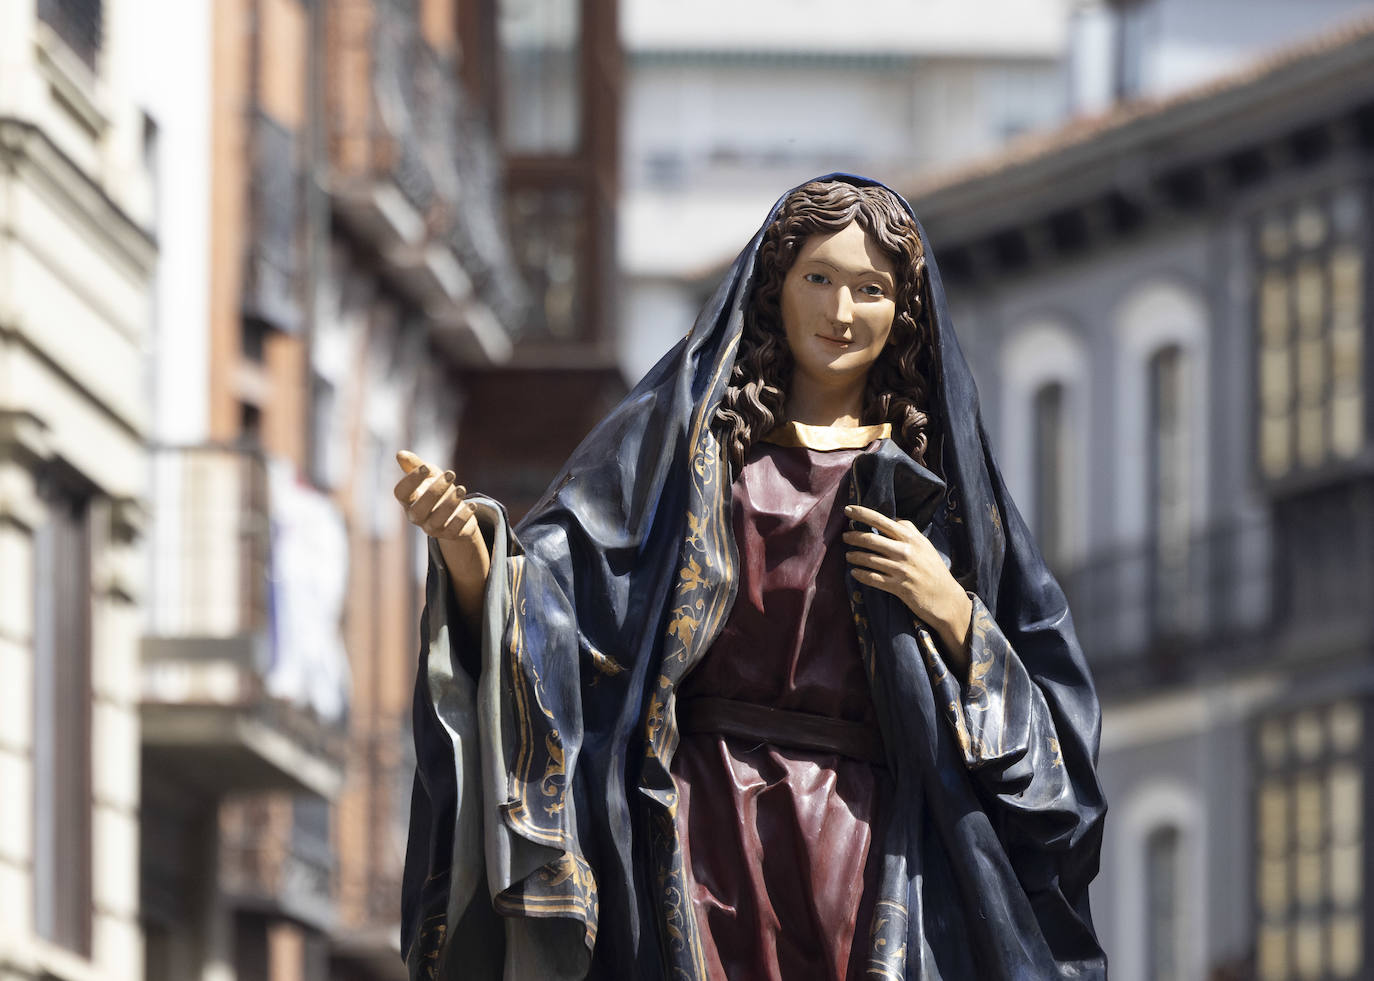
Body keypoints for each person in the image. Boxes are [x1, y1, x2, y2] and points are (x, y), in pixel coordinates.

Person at [395, 176, 1107, 980]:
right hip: (698, 832)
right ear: (777, 286)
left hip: (869, 849)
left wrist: (953, 611)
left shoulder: (941, 490)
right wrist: (471, 552)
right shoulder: (688, 452)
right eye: (819, 279)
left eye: (870, 289)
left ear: (902, 310)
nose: (841, 311)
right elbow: (556, 601)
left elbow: (1056, 748)